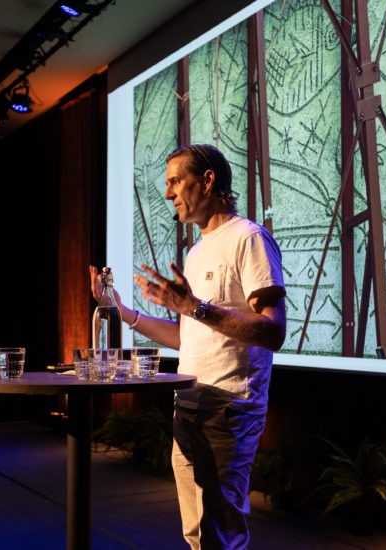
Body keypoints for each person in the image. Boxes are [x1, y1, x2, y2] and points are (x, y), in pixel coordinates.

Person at [90, 143, 286, 549]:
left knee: (218, 534)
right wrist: (122, 311)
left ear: (208, 180)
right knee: (196, 533)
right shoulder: (196, 252)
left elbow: (273, 332)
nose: (168, 194)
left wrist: (194, 307)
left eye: (175, 182)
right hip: (189, 404)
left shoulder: (248, 238)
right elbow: (188, 337)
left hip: (228, 408)